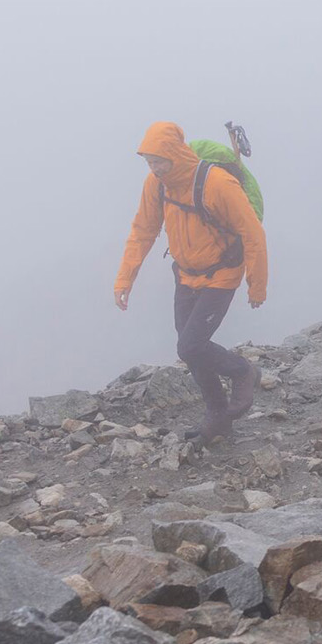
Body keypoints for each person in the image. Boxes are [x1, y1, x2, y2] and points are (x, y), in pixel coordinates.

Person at [115, 121, 266, 441]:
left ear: (173, 154)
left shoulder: (217, 183)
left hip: (221, 274)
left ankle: (243, 372)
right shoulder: (155, 185)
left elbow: (252, 233)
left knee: (190, 344)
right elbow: (143, 231)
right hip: (185, 274)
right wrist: (125, 278)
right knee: (190, 349)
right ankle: (218, 416)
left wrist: (257, 283)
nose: (154, 168)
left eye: (159, 161)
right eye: (149, 162)